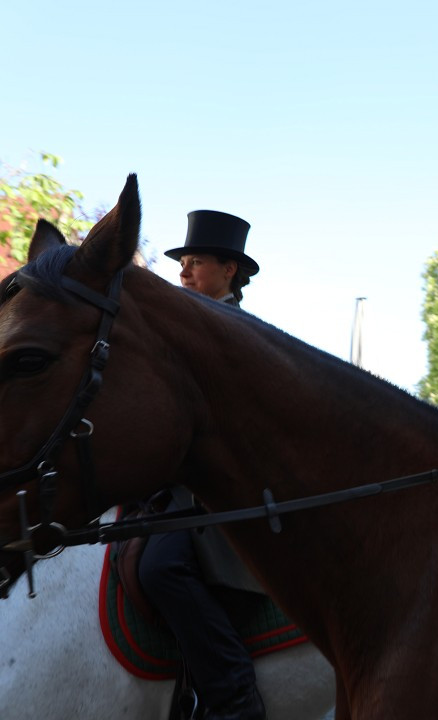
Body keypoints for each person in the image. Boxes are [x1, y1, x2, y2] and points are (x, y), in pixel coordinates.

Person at [139, 210, 266, 720]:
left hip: (216, 493)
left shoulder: (245, 332)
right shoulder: (175, 329)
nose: (183, 273)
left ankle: (233, 695)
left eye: (194, 263)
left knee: (160, 567)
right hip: (164, 484)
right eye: (182, 263)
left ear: (229, 270)